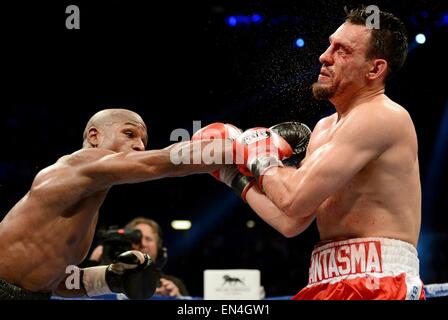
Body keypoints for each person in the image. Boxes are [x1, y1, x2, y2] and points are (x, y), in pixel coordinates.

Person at [200, 7, 424, 300]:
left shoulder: (384, 116)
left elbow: (292, 199)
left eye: (342, 50)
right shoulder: (323, 128)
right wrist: (231, 175)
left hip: (380, 281)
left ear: (375, 69)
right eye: (330, 44)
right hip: (324, 279)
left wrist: (259, 155)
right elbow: (291, 220)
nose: (324, 55)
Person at [0, 108, 231, 300]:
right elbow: (161, 162)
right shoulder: (75, 165)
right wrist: (235, 147)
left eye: (143, 140)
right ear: (94, 137)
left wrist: (112, 277)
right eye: (129, 134)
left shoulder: (88, 205)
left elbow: (54, 280)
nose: (140, 146)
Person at [89, 217, 189, 297]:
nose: (143, 244)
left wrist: (177, 298)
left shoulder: (174, 284)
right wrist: (92, 262)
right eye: (137, 238)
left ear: (158, 247)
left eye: (148, 239)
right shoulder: (108, 281)